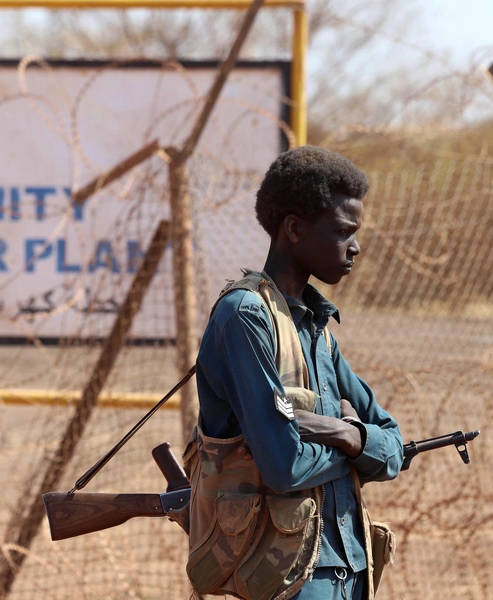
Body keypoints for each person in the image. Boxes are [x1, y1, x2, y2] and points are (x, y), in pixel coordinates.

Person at [187, 145, 403, 600]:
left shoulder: (318, 329)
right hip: (279, 582)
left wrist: (350, 435)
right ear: (293, 229)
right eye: (344, 231)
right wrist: (354, 446)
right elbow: (284, 465)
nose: (355, 246)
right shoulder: (245, 316)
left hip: (349, 575)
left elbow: (392, 445)